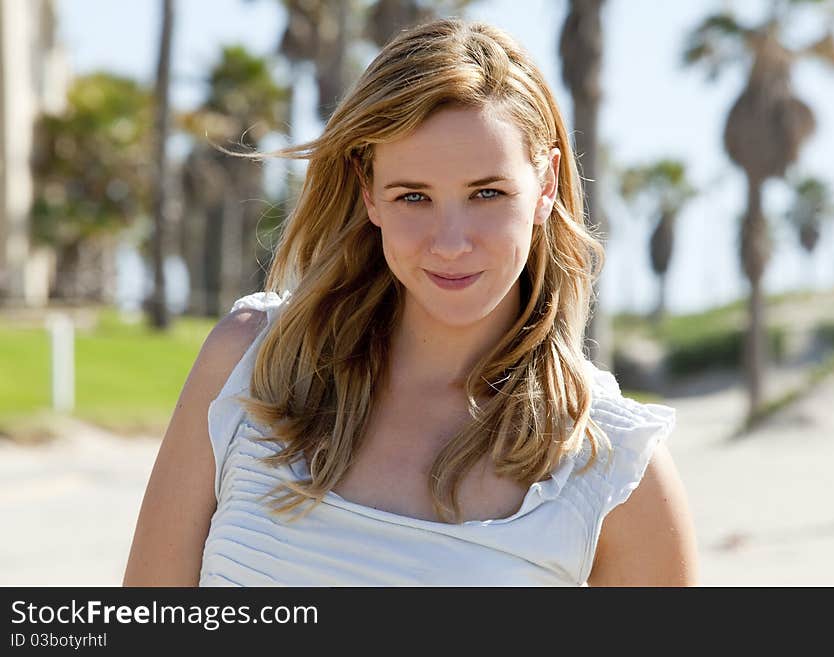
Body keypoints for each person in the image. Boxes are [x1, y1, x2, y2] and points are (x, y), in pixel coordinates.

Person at [123, 18, 699, 587]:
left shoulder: (614, 471)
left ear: (545, 186)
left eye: (487, 193)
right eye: (414, 196)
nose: (450, 242)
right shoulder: (247, 366)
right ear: (369, 190)